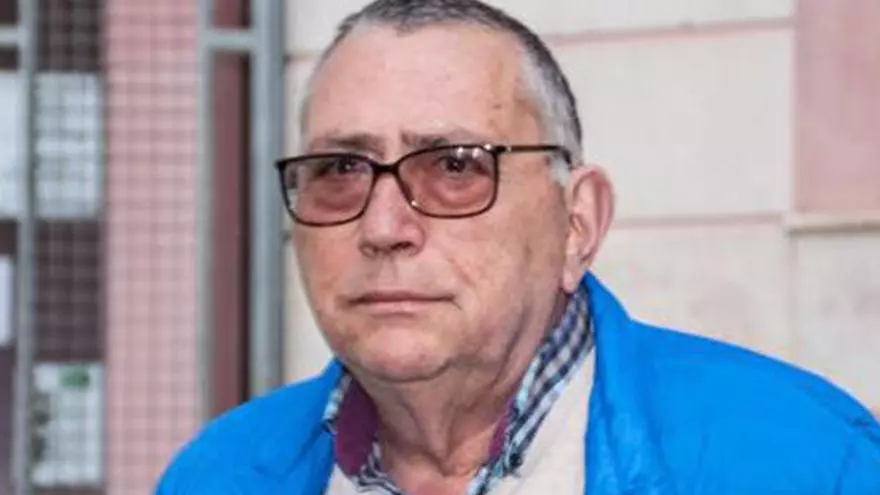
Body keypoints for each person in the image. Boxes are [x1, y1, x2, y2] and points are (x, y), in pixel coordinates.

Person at [157, 1, 880, 493]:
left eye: (455, 167)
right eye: (340, 170)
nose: (382, 227)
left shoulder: (806, 461)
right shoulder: (218, 473)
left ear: (578, 223)